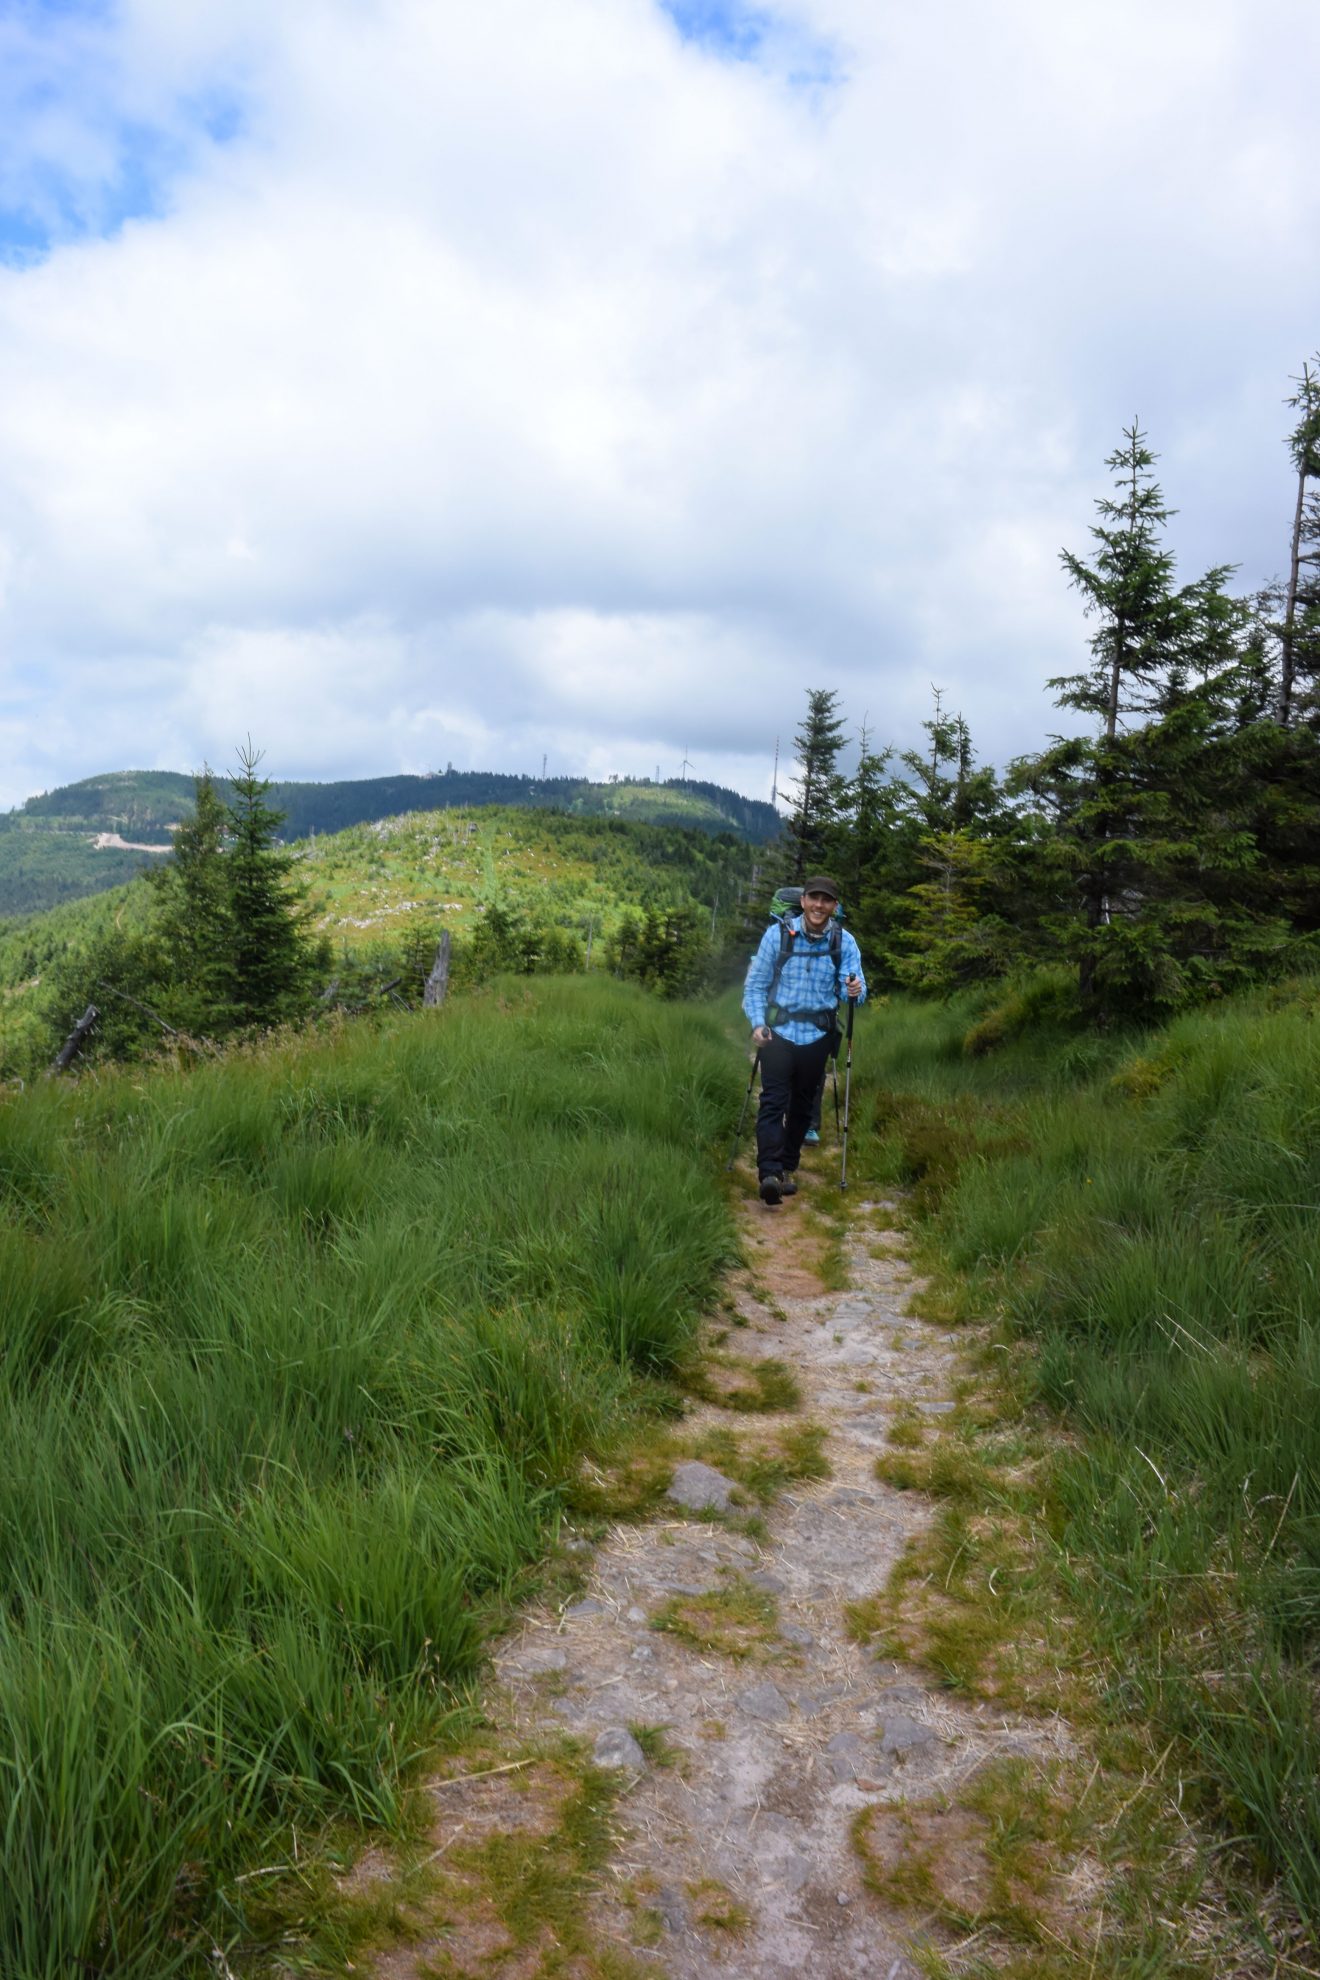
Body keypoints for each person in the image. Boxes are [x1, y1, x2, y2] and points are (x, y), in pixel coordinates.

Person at [742, 875, 865, 1205]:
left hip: (818, 1036)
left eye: (826, 900)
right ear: (804, 901)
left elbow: (853, 988)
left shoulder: (844, 942)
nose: (819, 905)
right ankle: (768, 1173)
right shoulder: (777, 935)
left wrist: (856, 990)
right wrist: (757, 1023)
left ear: (834, 907)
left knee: (801, 1107)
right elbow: (755, 987)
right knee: (773, 1101)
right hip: (779, 1032)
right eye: (814, 898)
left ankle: (785, 1169)